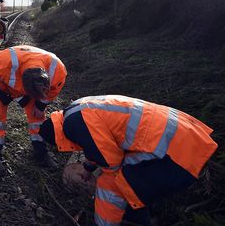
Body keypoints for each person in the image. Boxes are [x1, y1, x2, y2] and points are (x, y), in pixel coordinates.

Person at [39, 95, 218, 226]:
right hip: (179, 132)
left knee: (115, 183)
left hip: (170, 148)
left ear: (58, 139)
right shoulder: (75, 110)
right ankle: (140, 214)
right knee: (134, 186)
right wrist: (88, 167)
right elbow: (100, 142)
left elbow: (111, 164)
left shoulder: (73, 126)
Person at [0, 45, 67, 176]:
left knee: (38, 119)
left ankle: (41, 154)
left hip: (29, 88)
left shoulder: (57, 70)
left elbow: (53, 91)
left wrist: (40, 106)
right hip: (3, 87)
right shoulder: (1, 63)